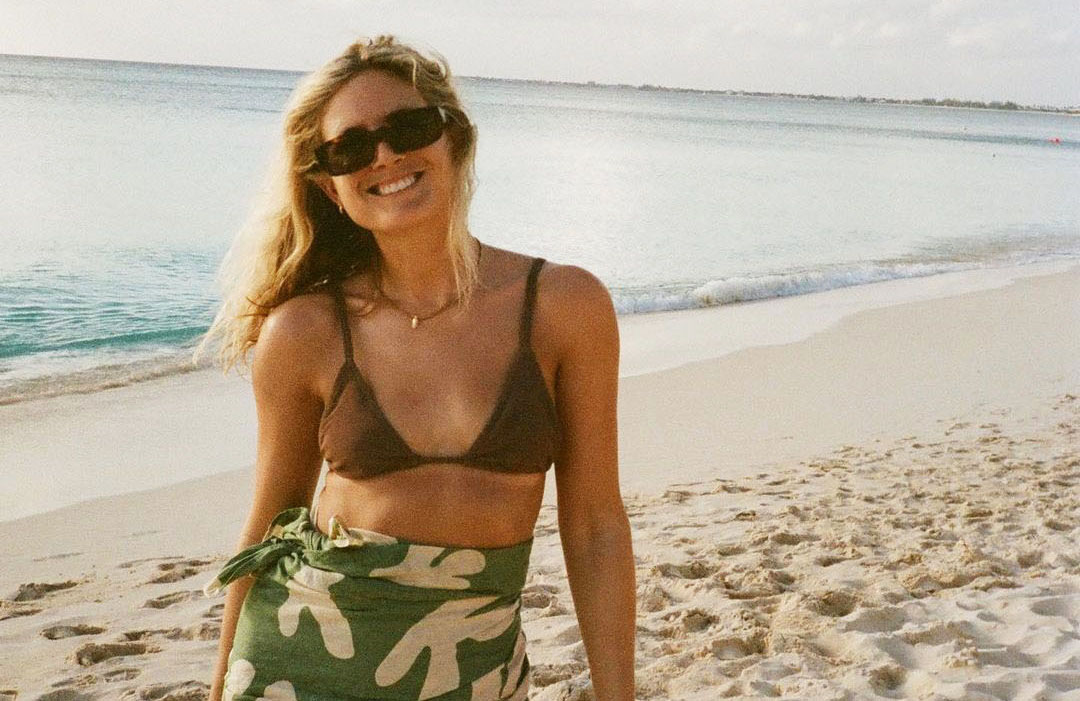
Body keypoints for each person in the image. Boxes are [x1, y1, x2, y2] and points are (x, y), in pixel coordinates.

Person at [194, 35, 635, 700]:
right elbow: (268, 524)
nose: (385, 156)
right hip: (300, 668)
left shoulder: (564, 306)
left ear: (454, 138)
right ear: (331, 186)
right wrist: (218, 685)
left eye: (407, 128)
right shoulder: (306, 331)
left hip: (476, 671)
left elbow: (596, 526)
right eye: (351, 148)